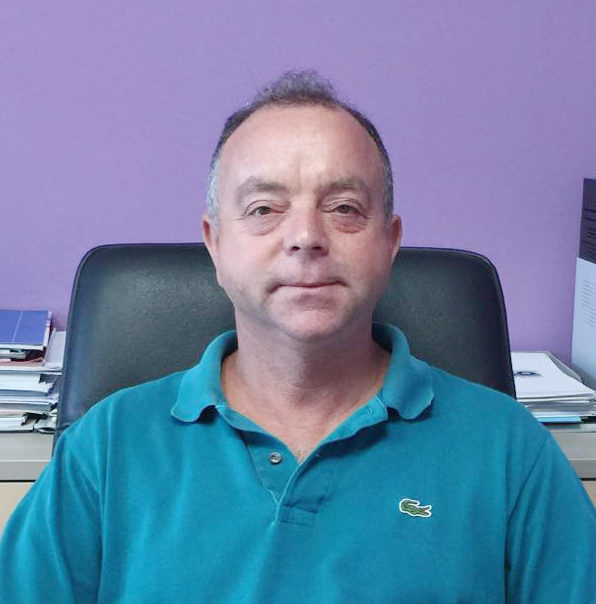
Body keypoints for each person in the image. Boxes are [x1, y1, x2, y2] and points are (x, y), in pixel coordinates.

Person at [1, 71, 594, 603]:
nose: (306, 236)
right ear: (215, 243)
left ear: (389, 243)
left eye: (344, 207)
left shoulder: (510, 451)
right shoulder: (106, 448)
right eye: (264, 209)